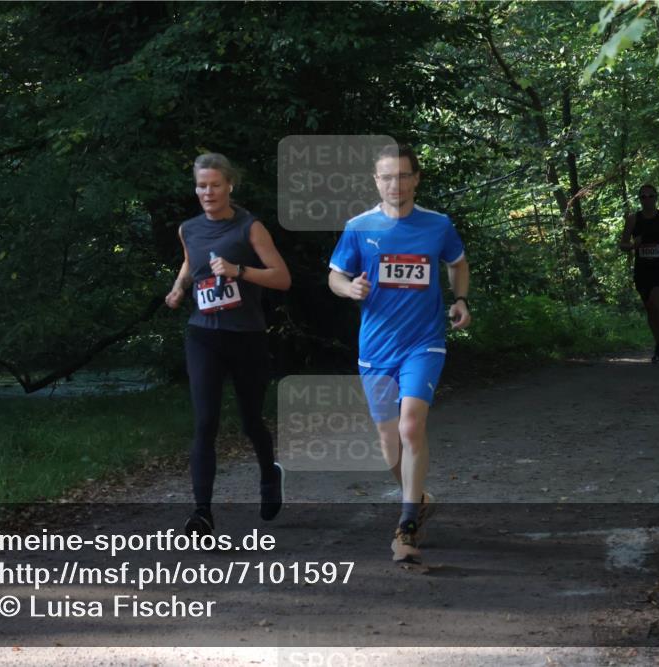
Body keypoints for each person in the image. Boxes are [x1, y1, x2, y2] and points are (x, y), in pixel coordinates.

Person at [327, 144, 470, 564]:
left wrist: (461, 299)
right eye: (388, 177)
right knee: (389, 443)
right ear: (376, 181)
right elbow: (335, 275)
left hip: (423, 342)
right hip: (376, 349)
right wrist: (349, 288)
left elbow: (458, 263)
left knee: (411, 426)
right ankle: (419, 499)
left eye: (404, 175)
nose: (396, 184)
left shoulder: (437, 225)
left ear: (416, 179)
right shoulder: (359, 227)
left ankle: (406, 526)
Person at [165, 153, 292, 536]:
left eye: (215, 185)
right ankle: (202, 513)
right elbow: (190, 263)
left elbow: (282, 278)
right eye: (201, 186)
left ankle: (269, 474)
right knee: (205, 422)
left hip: (246, 336)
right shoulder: (189, 229)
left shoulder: (250, 227)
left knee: (251, 420)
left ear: (229, 186)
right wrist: (178, 288)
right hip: (203, 334)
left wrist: (240, 271)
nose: (207, 192)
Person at [618, 184, 659, 362]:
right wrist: (633, 245)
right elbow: (623, 244)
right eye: (643, 197)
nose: (647, 199)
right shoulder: (633, 219)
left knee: (655, 303)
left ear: (656, 197)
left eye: (650, 196)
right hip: (642, 270)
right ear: (639, 199)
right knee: (649, 307)